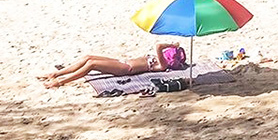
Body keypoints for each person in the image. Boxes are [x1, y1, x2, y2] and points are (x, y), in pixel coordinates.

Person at [39, 43, 187, 89]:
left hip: (125, 69)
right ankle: (56, 74)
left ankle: (60, 82)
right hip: (122, 61)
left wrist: (172, 44)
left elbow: (158, 46)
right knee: (88, 57)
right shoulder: (158, 60)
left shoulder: (162, 65)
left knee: (91, 64)